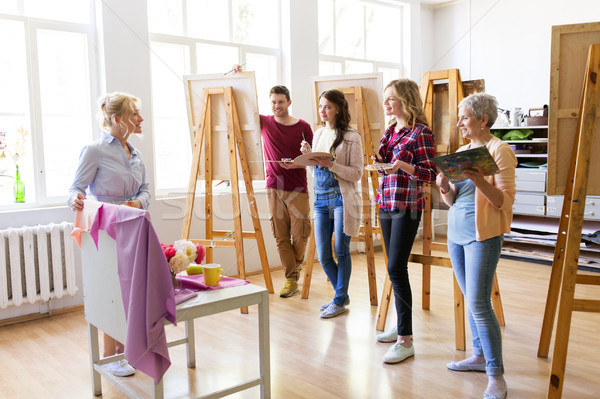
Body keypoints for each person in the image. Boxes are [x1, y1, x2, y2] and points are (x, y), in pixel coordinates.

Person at [435, 92, 515, 399]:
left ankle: (497, 376)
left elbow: (504, 202)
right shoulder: (463, 151)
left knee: (480, 303)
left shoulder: (499, 150)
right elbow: (455, 199)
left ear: (483, 120)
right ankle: (480, 357)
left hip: (484, 236)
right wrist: (444, 188)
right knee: (471, 299)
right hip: (456, 233)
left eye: (465, 117)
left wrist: (480, 179)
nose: (459, 123)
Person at [68, 91, 150, 377]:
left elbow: (146, 191)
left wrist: (137, 203)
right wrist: (76, 200)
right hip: (104, 231)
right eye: (134, 114)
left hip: (134, 227)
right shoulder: (95, 150)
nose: (141, 119)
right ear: (116, 119)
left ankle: (126, 351)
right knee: (110, 292)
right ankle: (108, 356)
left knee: (130, 291)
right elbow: (75, 189)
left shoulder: (136, 154)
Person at [372, 79, 436, 364]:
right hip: (385, 201)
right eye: (385, 99)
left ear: (406, 101)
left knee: (396, 266)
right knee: (393, 267)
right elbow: (385, 162)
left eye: (391, 99)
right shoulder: (390, 130)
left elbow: (430, 173)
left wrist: (402, 166)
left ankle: (405, 340)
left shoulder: (420, 132)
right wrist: (376, 162)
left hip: (408, 205)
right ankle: (401, 326)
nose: (386, 104)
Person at [300, 89, 363, 319]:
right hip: (320, 198)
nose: (322, 111)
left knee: (341, 251)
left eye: (326, 106)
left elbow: (357, 174)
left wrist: (331, 164)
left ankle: (338, 299)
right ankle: (341, 294)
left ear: (337, 108)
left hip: (340, 197)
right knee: (324, 255)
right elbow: (313, 169)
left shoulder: (351, 136)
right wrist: (309, 156)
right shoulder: (317, 134)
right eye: (320, 107)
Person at [260, 85, 314, 298]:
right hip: (273, 187)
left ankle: (297, 264)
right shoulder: (265, 123)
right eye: (273, 102)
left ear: (289, 102)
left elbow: (313, 160)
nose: (276, 106)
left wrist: (297, 164)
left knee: (300, 234)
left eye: (280, 102)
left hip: (298, 188)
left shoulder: (304, 127)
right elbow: (242, 104)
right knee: (280, 236)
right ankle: (291, 279)